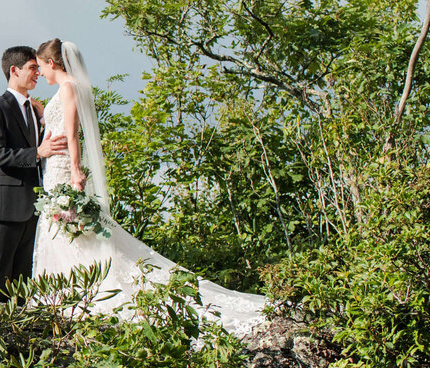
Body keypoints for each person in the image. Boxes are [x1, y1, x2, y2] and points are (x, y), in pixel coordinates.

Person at [33, 38, 267, 335]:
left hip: (65, 169)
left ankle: (80, 293)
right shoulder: (64, 89)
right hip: (54, 168)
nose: (41, 72)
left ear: (52, 63)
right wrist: (42, 113)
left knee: (71, 231)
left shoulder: (67, 88)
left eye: (41, 66)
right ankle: (71, 291)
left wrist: (77, 171)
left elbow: (73, 133)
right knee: (66, 232)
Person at [0, 46, 68, 305]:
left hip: (33, 210)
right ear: (14, 70)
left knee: (22, 289)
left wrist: (42, 120)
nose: (38, 73)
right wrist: (36, 152)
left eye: (39, 68)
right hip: (4, 208)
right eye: (32, 67)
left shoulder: (35, 109)